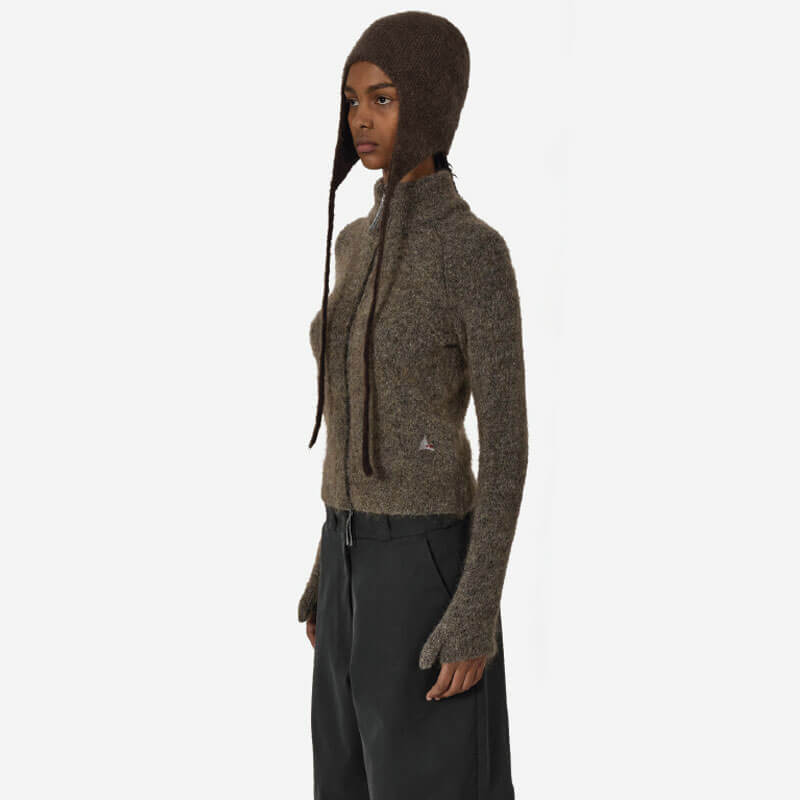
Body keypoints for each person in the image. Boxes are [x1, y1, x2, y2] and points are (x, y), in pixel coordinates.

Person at [298, 12, 528, 799]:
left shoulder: (472, 252)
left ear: (428, 102)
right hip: (346, 558)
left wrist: (476, 607)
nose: (360, 118)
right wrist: (327, 566)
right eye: (352, 99)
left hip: (425, 568)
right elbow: (355, 409)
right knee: (344, 784)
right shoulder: (353, 244)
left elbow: (506, 447)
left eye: (384, 98)